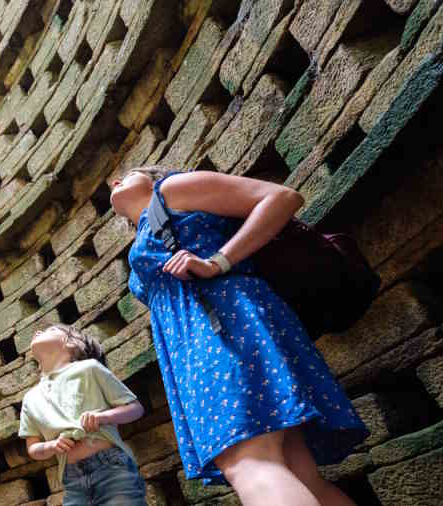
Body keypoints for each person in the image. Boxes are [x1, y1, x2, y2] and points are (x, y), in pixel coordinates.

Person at [111, 166, 368, 506]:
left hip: (224, 327)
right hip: (202, 340)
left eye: (128, 173)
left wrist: (218, 261)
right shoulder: (145, 230)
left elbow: (281, 198)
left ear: (154, 175)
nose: (116, 182)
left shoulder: (172, 189)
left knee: (247, 462)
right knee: (297, 473)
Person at [19, 324, 147, 506]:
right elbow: (32, 449)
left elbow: (135, 408)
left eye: (50, 330)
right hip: (72, 481)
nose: (38, 332)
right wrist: (52, 446)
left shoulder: (89, 368)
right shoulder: (30, 398)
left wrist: (103, 417)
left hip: (112, 470)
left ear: (71, 343)